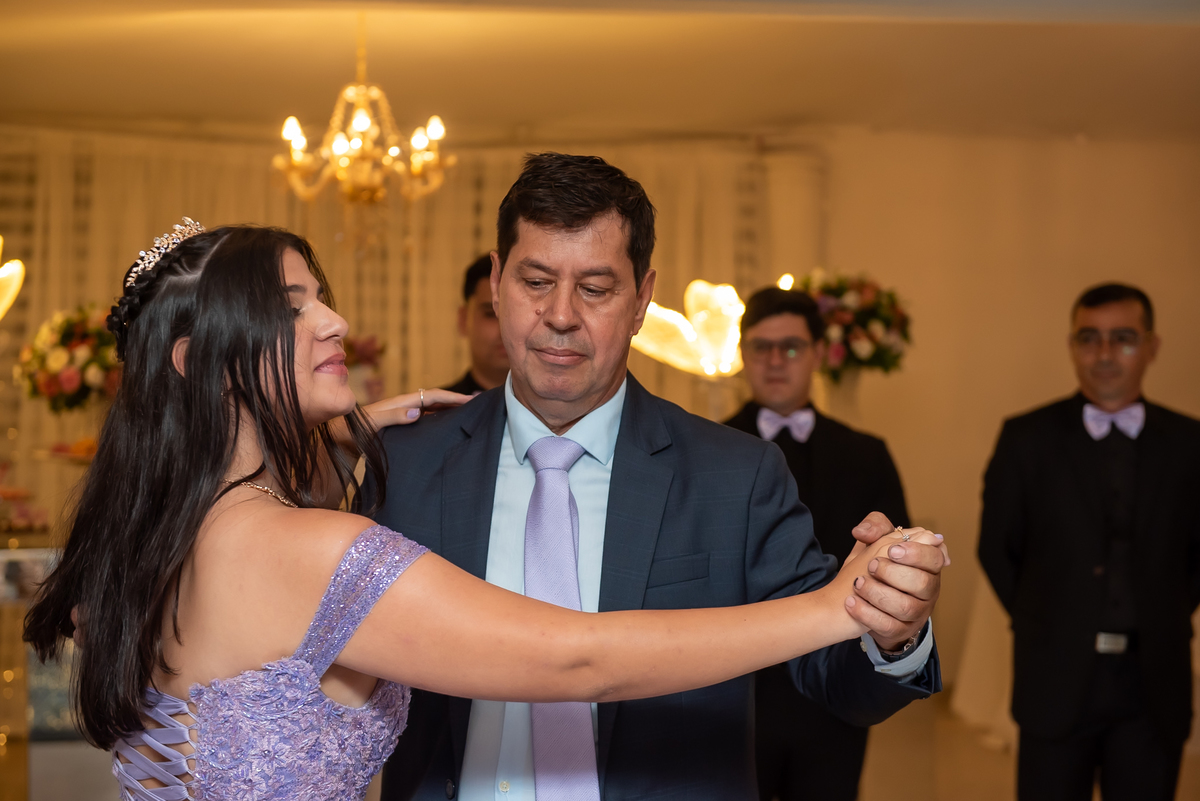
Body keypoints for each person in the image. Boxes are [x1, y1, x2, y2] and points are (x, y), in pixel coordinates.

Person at [22, 221, 936, 801]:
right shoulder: (318, 543)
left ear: (640, 296)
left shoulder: (154, 539)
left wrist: (326, 443)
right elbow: (579, 655)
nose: (334, 322)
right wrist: (836, 604)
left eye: (321, 297)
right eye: (291, 307)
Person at [374, 153, 946, 801]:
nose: (560, 315)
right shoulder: (407, 463)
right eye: (536, 281)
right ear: (498, 280)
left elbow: (833, 671)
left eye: (595, 289)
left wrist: (892, 626)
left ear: (642, 300)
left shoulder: (736, 476)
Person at [979, 283, 1200, 801]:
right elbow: (997, 548)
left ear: (1151, 346)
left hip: (1154, 680)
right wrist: (1045, 620)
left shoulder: (1191, 443)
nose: (1104, 353)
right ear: (1072, 346)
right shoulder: (1025, 438)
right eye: (1089, 338)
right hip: (1054, 675)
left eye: (1122, 338)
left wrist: (1166, 612)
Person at [723, 286, 910, 801]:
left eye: (791, 347)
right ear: (742, 353)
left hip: (834, 681)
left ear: (818, 353)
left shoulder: (866, 454)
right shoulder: (707, 449)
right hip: (736, 689)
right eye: (761, 347)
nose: (775, 361)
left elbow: (895, 562)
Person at [444, 254, 510, 394]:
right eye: (490, 314)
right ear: (463, 319)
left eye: (515, 315)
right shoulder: (438, 406)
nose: (505, 330)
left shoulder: (558, 406)